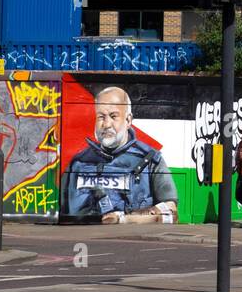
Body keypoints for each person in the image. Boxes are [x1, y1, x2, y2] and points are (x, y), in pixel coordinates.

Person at [63, 86, 177, 224]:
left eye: (113, 116)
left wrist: (123, 219)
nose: (106, 124)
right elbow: (62, 212)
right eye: (101, 117)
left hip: (131, 241)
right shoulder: (78, 163)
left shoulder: (151, 160)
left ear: (128, 120)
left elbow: (171, 211)